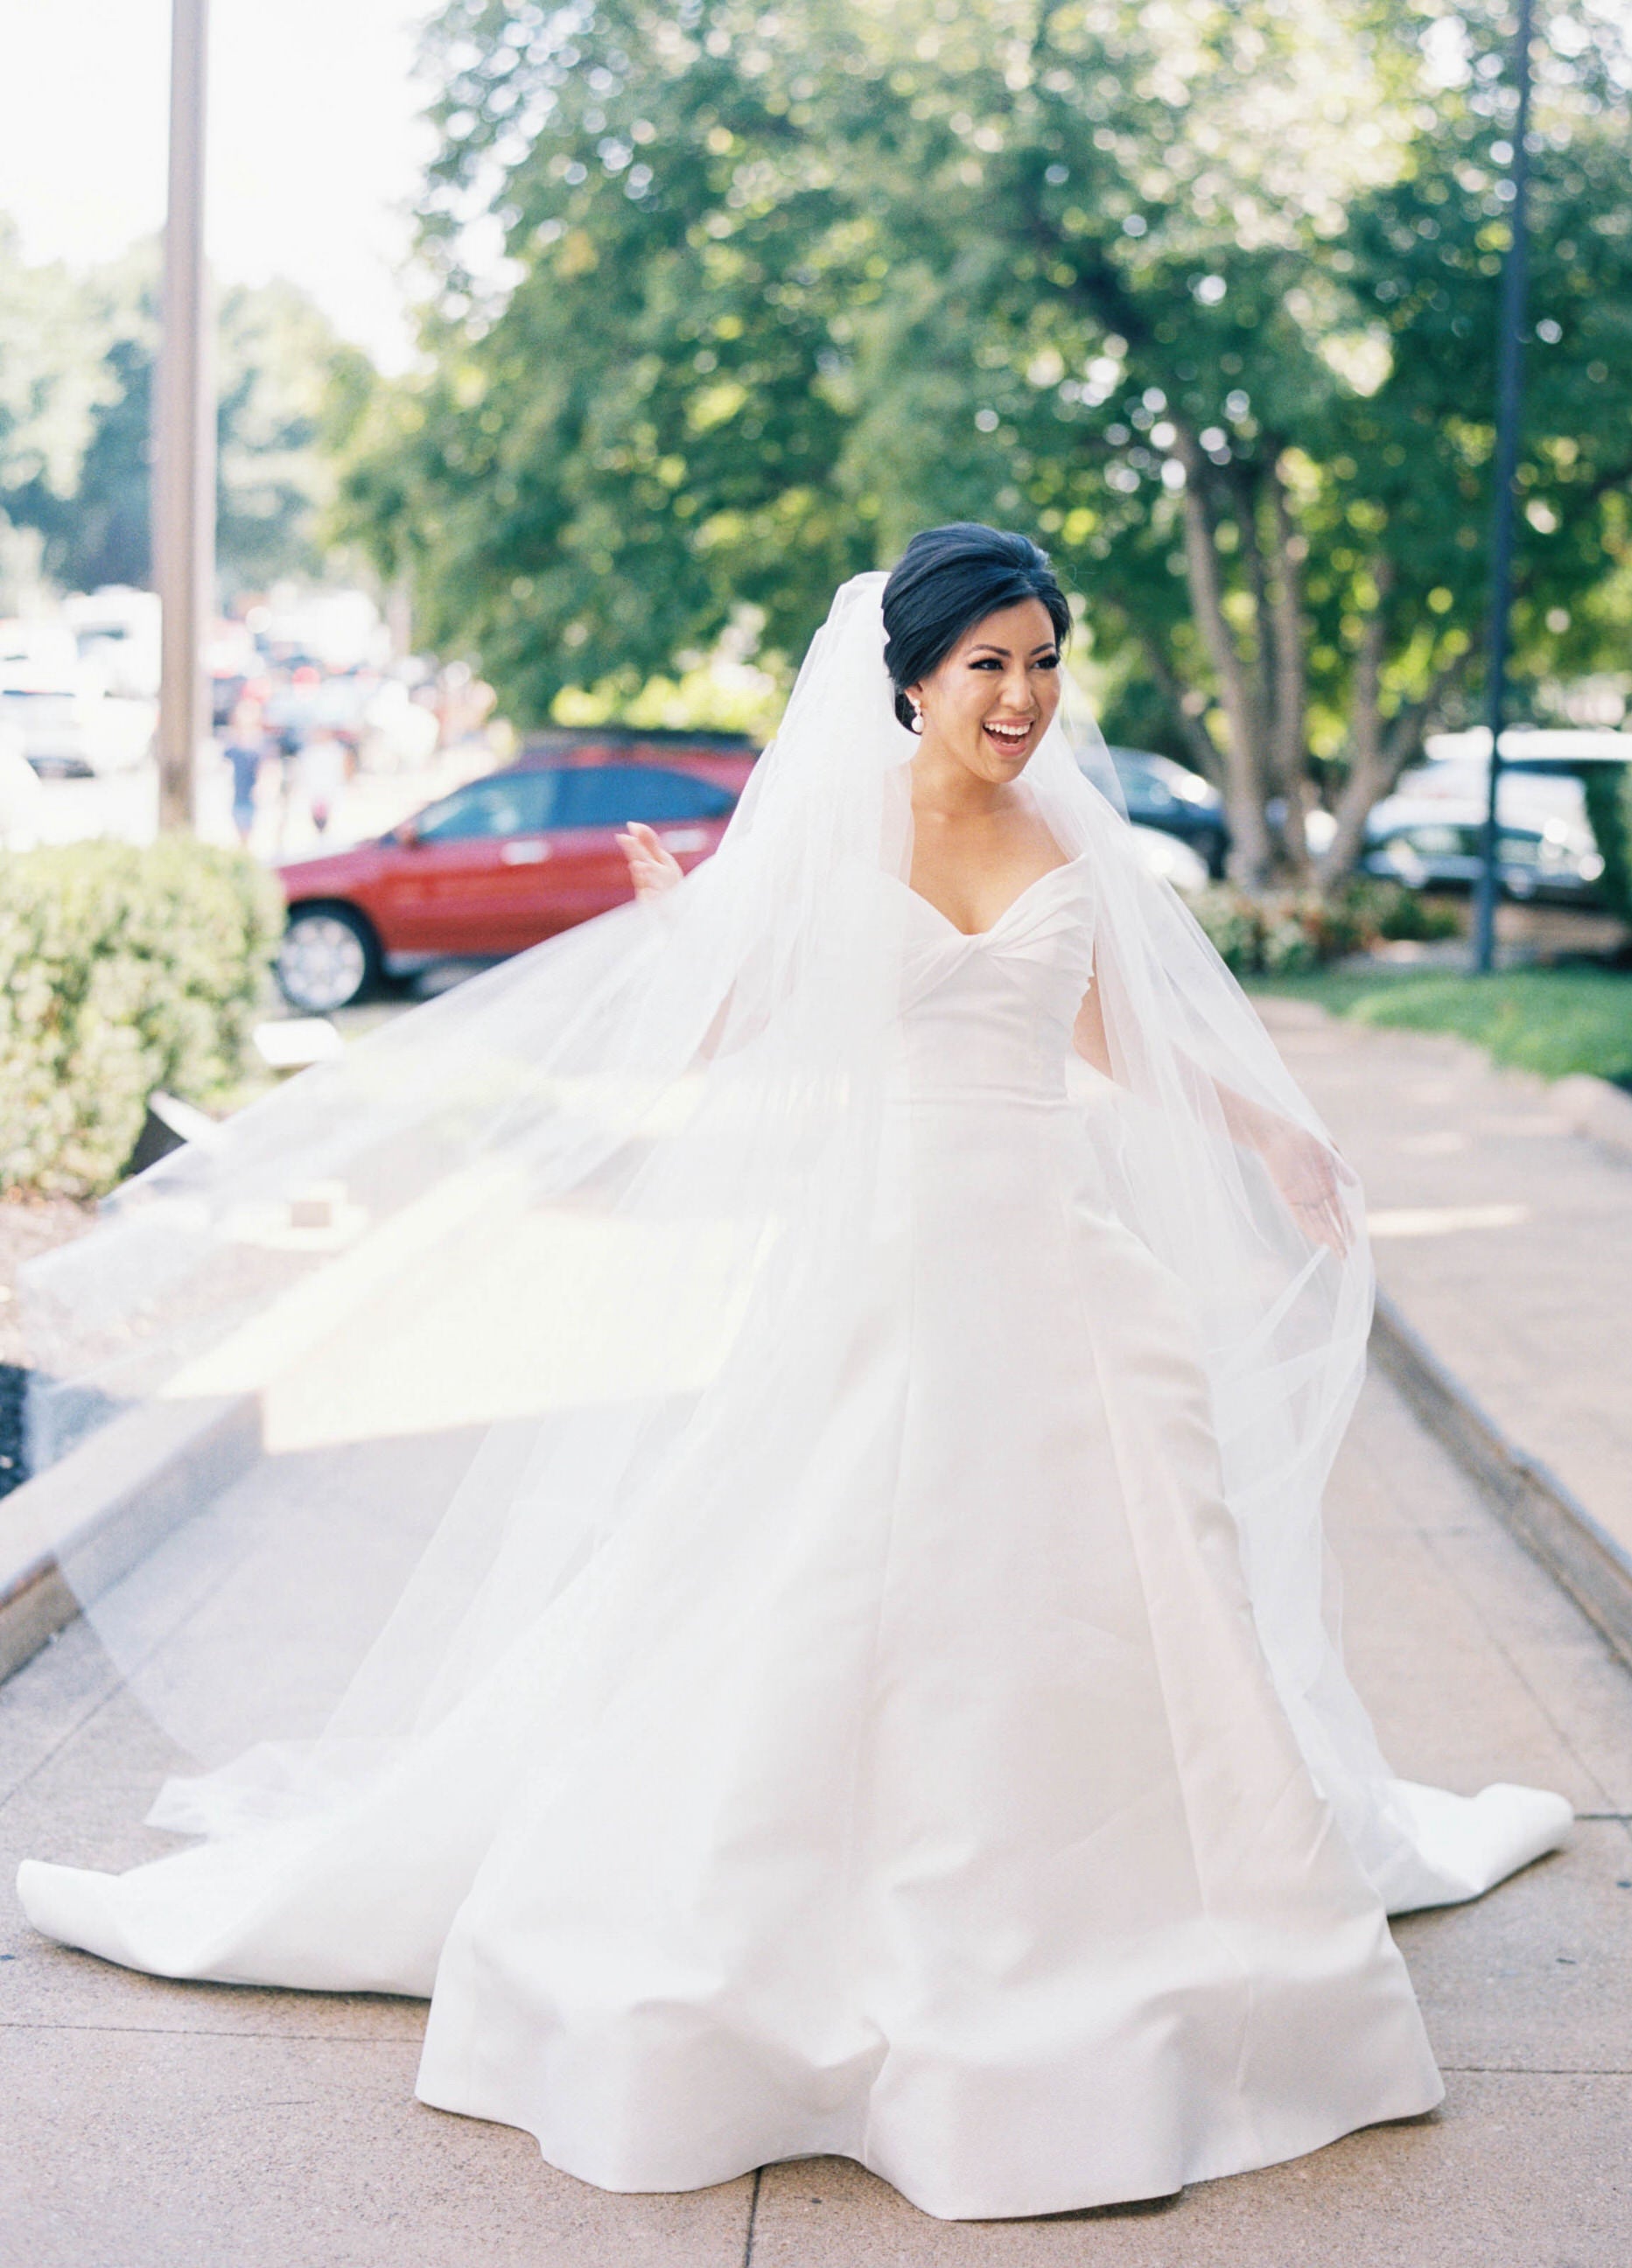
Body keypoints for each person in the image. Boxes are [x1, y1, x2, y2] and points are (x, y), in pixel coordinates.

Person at [16, 528, 1568, 2222]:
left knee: (1125, 1586)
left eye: (1042, 660)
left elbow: (1101, 1017)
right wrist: (689, 932)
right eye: (987, 663)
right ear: (905, 676)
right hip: (891, 1274)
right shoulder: (835, 831)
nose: (1023, 697)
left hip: (1060, 1268)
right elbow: (719, 1034)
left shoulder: (1062, 827)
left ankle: (1163, 1922)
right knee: (819, 1590)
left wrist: (1267, 1128)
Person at [221, 700, 265, 846]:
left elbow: (263, 769)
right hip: (235, 795)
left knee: (247, 831)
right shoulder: (232, 744)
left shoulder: (258, 745)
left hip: (250, 795)